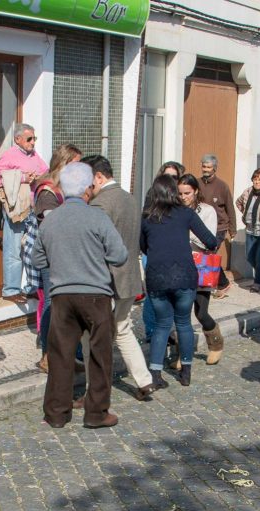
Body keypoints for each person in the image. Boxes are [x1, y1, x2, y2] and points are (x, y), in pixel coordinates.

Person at [33, 162, 127, 429]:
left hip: (62, 295)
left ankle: (56, 414)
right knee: (100, 355)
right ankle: (96, 414)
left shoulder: (51, 220)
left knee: (60, 356)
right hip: (96, 295)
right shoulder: (97, 217)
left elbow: (37, 259)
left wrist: (62, 260)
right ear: (88, 189)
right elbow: (119, 255)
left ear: (63, 190)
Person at [83, 154, 155, 401]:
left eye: (88, 181)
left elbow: (96, 246)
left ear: (98, 177)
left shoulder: (100, 204)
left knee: (92, 337)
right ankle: (144, 380)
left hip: (107, 280)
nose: (87, 187)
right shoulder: (129, 198)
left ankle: (93, 390)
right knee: (123, 329)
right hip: (129, 276)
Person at [141, 175, 220, 388]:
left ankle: (155, 374)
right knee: (184, 323)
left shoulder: (147, 217)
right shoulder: (186, 213)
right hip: (184, 275)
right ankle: (185, 372)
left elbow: (143, 246)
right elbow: (211, 241)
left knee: (161, 325)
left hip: (157, 276)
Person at [31, 144, 82, 371]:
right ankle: (48, 355)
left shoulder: (67, 188)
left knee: (69, 305)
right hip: (52, 256)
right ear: (64, 163)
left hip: (68, 255)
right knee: (52, 304)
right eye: (76, 164)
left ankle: (71, 355)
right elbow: (54, 225)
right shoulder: (47, 191)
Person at [0, 123, 48, 301]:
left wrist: (37, 177)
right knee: (14, 249)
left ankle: (31, 287)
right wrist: (23, 177)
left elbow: (45, 172)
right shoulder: (9, 155)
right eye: (29, 139)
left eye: (34, 138)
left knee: (32, 248)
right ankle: (11, 290)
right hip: (16, 209)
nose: (33, 142)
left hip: (33, 207)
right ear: (18, 139)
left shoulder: (34, 155)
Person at [179, 174, 225, 365]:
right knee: (181, 313)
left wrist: (189, 232)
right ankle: (182, 354)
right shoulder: (176, 210)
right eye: (180, 193)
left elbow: (209, 240)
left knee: (201, 312)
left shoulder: (207, 211)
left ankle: (215, 343)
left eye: (187, 193)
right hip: (180, 265)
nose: (183, 197)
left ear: (195, 191)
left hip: (201, 266)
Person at [197, 154, 237, 297]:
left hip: (219, 227)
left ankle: (222, 283)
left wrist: (232, 229)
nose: (205, 170)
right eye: (204, 166)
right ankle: (206, 282)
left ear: (214, 168)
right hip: (201, 226)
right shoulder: (196, 183)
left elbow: (230, 208)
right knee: (203, 254)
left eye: (208, 167)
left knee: (210, 253)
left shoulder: (222, 186)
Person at [235, 169, 260, 292]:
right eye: (255, 179)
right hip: (250, 229)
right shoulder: (248, 192)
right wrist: (245, 214)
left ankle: (257, 282)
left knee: (259, 257)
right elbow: (238, 202)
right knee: (250, 257)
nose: (257, 182)